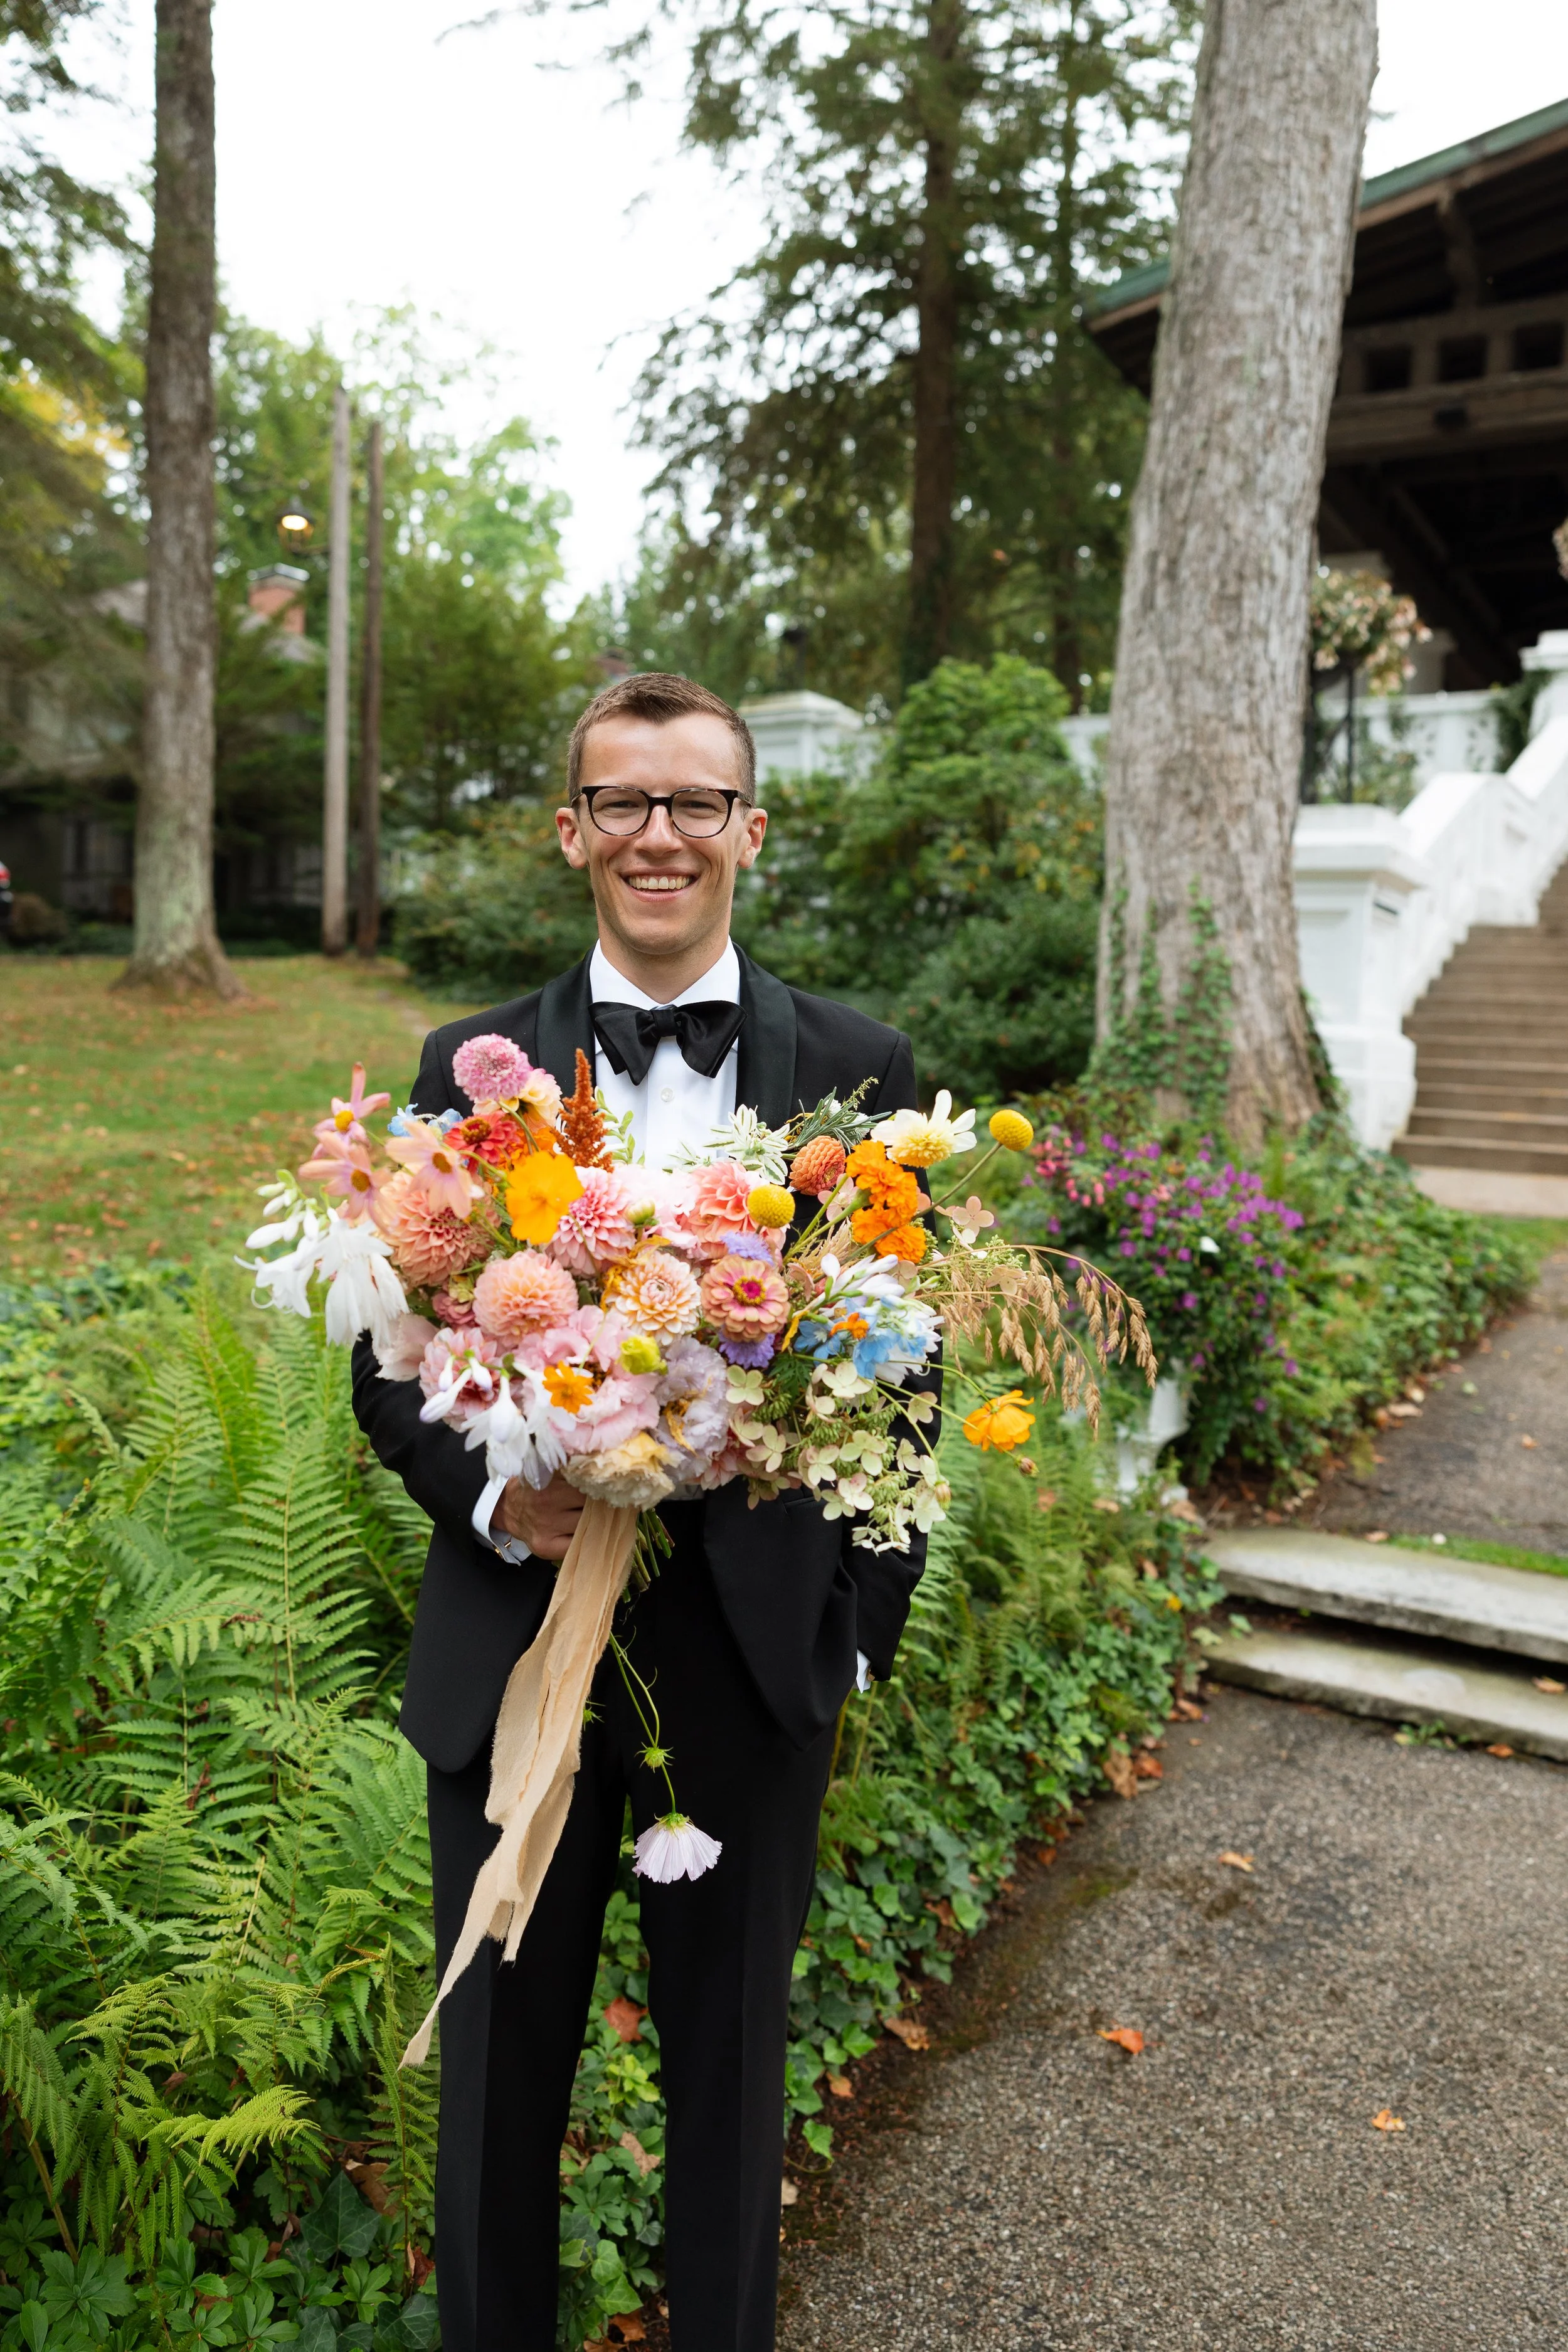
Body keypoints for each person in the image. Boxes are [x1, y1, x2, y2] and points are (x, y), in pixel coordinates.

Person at [352, 672, 934, 2352]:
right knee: (491, 2113)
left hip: (748, 1660)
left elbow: (907, 1370)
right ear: (572, 831)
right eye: (622, 801)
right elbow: (385, 1362)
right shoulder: (469, 1071)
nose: (657, 834)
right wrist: (494, 1502)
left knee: (730, 2095)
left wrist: (847, 1646)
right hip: (518, 1650)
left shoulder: (858, 1069)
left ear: (750, 828)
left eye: (694, 802)